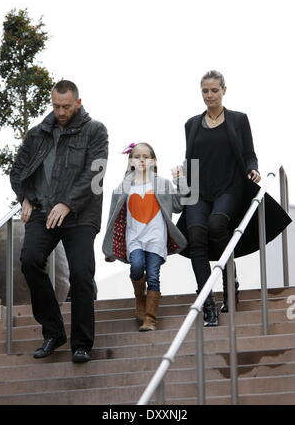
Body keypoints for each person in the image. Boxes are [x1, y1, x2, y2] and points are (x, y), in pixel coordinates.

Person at [177, 70, 292, 326]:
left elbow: (249, 153)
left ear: (224, 90)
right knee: (195, 236)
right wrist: (184, 181)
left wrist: (254, 168)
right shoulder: (192, 124)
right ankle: (206, 303)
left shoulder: (238, 119)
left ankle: (230, 287)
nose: (209, 95)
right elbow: (190, 159)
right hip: (199, 191)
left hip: (230, 187)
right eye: (205, 91)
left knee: (217, 225)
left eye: (214, 90)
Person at [10, 80, 108, 362]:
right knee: (29, 260)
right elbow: (17, 171)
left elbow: (96, 176)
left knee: (80, 272)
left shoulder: (95, 131)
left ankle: (82, 343)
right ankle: (53, 331)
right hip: (42, 210)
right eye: (56, 106)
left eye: (66, 106)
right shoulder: (37, 133)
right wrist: (24, 197)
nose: (61, 111)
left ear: (78, 102)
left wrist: (68, 202)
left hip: (80, 214)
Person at [102, 142, 188, 331]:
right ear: (131, 161)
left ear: (153, 161)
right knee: (137, 267)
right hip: (134, 238)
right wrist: (109, 249)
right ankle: (139, 297)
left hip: (156, 238)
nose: (141, 160)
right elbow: (113, 217)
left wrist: (180, 179)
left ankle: (149, 319)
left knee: (154, 276)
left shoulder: (162, 183)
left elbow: (179, 205)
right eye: (137, 156)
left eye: (146, 156)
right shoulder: (123, 187)